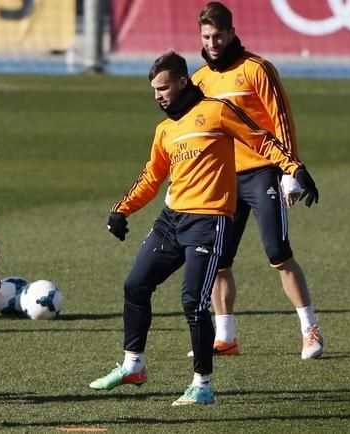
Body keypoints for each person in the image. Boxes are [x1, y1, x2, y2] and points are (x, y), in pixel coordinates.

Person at [88, 52, 318, 405]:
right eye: (154, 90)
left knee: (192, 302)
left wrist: (295, 169)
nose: (158, 96)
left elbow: (260, 139)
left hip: (208, 223)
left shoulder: (217, 111)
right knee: (136, 285)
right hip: (171, 221)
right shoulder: (165, 129)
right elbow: (152, 176)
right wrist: (122, 210)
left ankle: (203, 385)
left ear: (182, 82)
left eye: (163, 88)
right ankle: (133, 365)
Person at [192, 1, 323, 359]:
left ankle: (310, 331)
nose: (212, 43)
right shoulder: (200, 79)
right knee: (218, 260)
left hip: (262, 171)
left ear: (232, 33)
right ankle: (226, 337)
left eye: (218, 35)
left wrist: (289, 171)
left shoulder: (257, 69)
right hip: (222, 180)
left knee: (278, 253)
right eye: (206, 36)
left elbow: (281, 122)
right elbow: (195, 132)